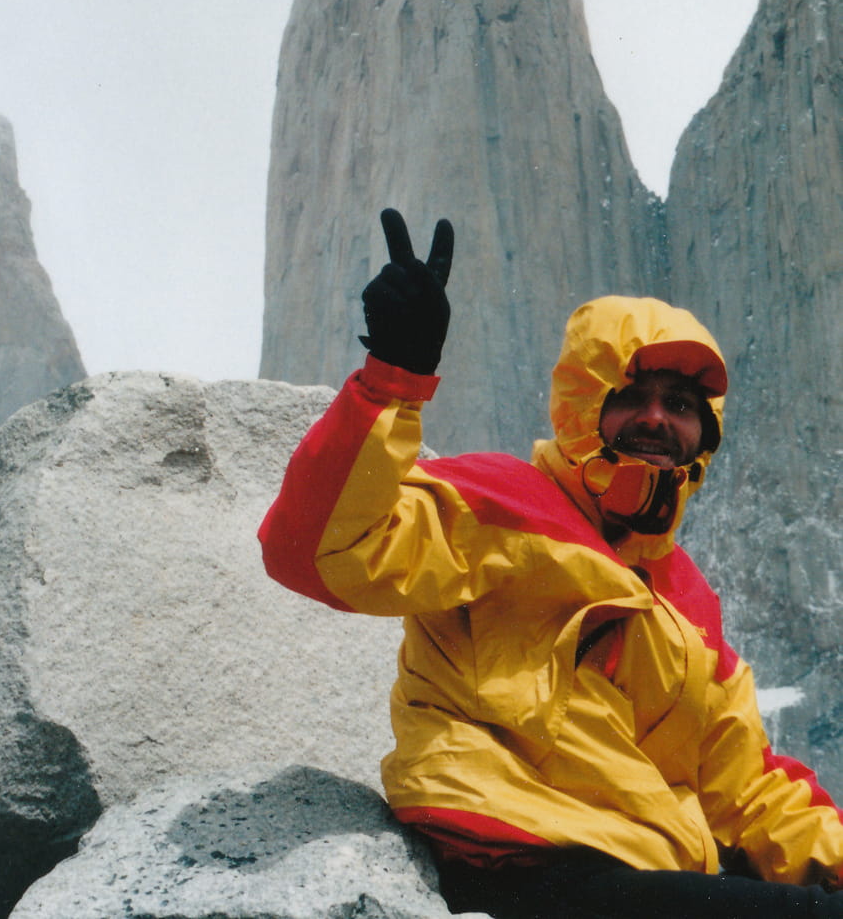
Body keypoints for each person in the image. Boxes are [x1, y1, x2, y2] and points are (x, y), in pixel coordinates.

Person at [259, 208, 843, 918]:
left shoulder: (686, 597)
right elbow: (316, 553)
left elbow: (746, 787)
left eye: (683, 404)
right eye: (632, 396)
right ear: (582, 405)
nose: (659, 418)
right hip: (512, 860)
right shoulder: (503, 501)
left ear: (705, 433)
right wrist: (392, 381)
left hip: (632, 870)